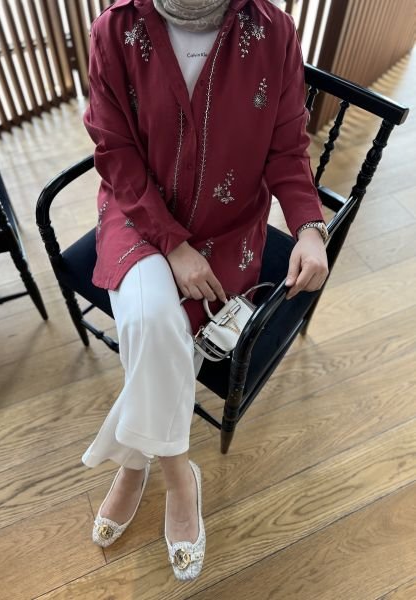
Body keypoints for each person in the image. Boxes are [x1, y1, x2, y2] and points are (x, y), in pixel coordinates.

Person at [81, 0, 328, 581]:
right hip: (139, 214)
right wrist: (171, 244)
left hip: (227, 227)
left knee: (160, 335)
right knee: (152, 322)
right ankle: (178, 477)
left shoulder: (273, 31)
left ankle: (134, 462)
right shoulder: (116, 29)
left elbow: (287, 149)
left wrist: (308, 228)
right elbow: (113, 151)